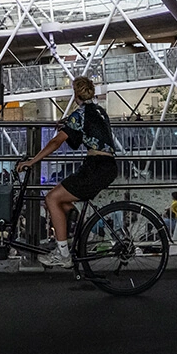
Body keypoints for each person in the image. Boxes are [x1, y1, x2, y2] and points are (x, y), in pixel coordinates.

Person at [17, 76, 117, 268]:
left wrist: (33, 161)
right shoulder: (99, 111)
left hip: (95, 167)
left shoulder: (79, 115)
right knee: (60, 200)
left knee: (51, 198)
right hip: (106, 166)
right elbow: (89, 128)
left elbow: (56, 142)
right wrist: (67, 123)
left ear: (76, 94)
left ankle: (63, 255)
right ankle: (79, 228)